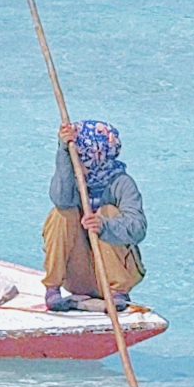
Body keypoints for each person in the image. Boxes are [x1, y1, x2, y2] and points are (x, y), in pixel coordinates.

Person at [43, 120, 146, 312]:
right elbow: (61, 199)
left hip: (115, 275)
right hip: (80, 274)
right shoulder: (72, 177)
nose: (77, 161)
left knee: (108, 212)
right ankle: (53, 288)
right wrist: (64, 151)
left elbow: (138, 228)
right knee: (62, 213)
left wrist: (104, 226)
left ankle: (116, 291)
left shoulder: (122, 183)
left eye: (80, 156)